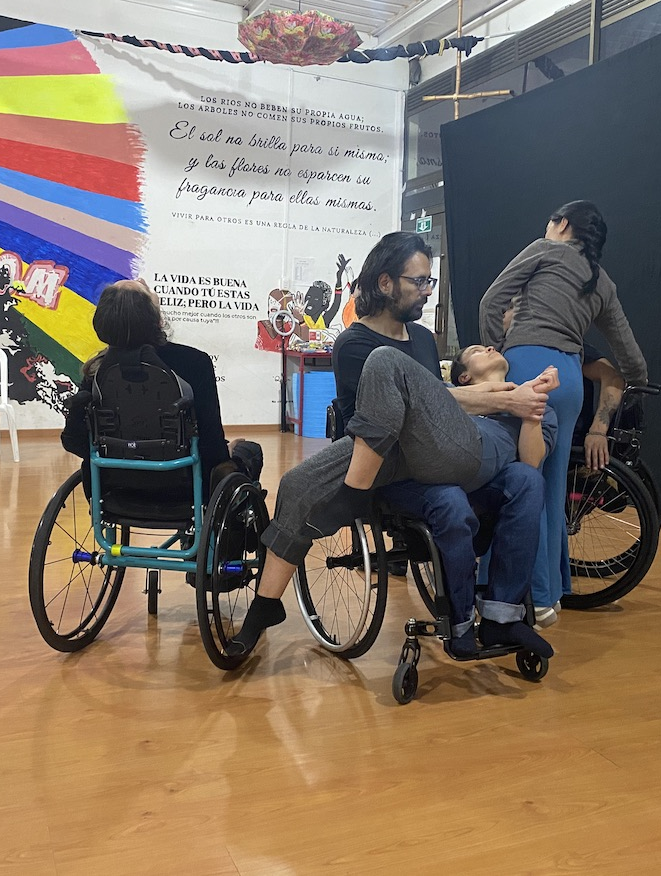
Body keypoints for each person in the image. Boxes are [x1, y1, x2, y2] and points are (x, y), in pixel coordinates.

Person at [227, 232, 555, 660]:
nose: (427, 291)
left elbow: (436, 403)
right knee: (296, 485)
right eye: (419, 281)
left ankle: (500, 615)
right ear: (385, 283)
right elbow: (401, 413)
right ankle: (265, 607)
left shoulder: (422, 339)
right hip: (382, 457)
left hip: (428, 452)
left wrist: (506, 401)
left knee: (524, 478)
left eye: (429, 282)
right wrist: (503, 399)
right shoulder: (354, 344)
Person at [478, 200, 647, 620]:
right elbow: (630, 358)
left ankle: (526, 598)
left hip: (527, 369)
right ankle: (550, 593)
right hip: (570, 379)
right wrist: (636, 384)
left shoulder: (544, 250)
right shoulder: (602, 282)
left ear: (562, 223)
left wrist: (496, 355)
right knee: (552, 489)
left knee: (519, 483)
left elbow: (491, 300)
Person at [61, 279, 262, 495]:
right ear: (155, 318)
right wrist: (227, 453)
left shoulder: (98, 370)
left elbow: (74, 441)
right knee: (250, 451)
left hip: (114, 489)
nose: (141, 280)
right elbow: (211, 445)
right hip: (184, 490)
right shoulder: (195, 362)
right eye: (145, 289)